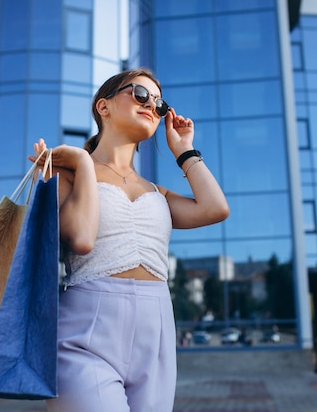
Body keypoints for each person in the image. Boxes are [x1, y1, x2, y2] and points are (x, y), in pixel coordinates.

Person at [30, 68, 229, 412]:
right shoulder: (65, 172)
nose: (151, 104)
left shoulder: (156, 192)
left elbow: (215, 208)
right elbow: (80, 238)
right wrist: (81, 160)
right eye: (140, 94)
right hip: (84, 333)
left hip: (157, 336)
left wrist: (184, 150)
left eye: (159, 103)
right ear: (103, 107)